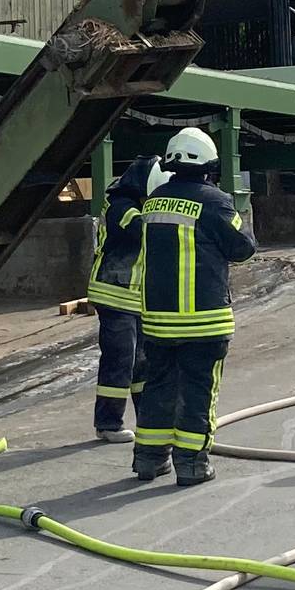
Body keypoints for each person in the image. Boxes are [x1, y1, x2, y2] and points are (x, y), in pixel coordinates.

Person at [129, 128, 257, 487]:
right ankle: (192, 464)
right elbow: (243, 249)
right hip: (204, 322)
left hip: (157, 323)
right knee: (199, 392)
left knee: (158, 388)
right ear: (207, 164)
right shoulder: (214, 201)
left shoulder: (153, 201)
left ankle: (149, 459)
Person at [84, 153, 169, 442]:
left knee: (142, 363)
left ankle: (148, 419)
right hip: (114, 295)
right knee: (119, 360)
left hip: (137, 299)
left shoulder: (140, 205)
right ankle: (108, 424)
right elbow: (143, 230)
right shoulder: (120, 206)